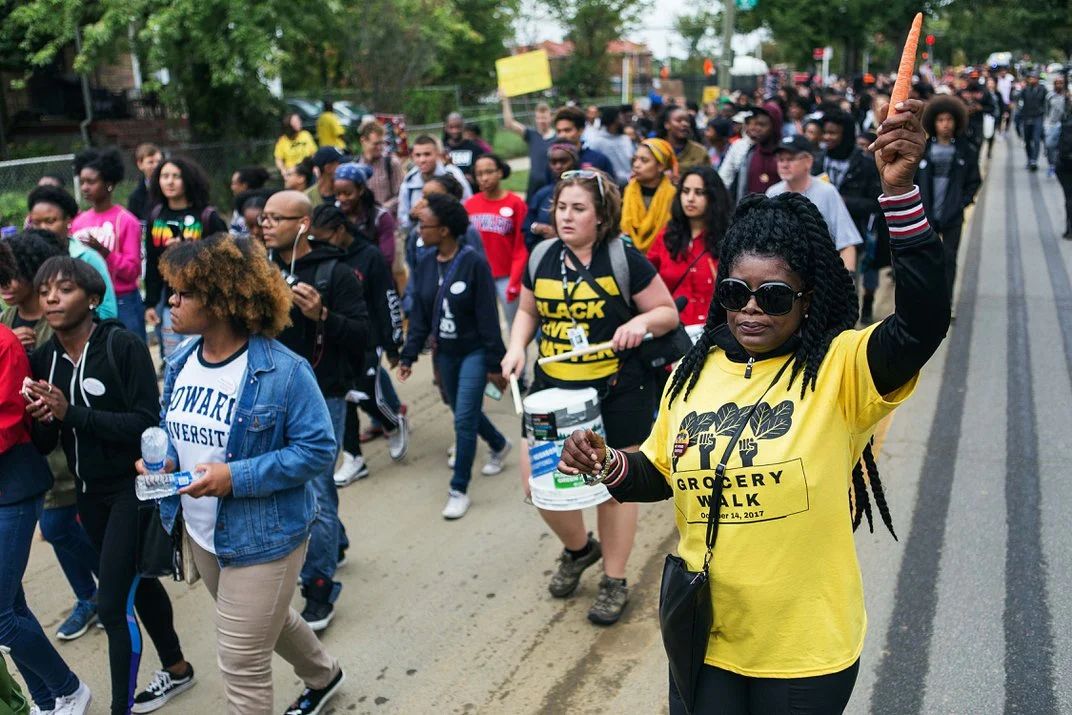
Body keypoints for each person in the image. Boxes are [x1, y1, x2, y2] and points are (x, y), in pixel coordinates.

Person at [559, 98, 949, 714]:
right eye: (737, 291)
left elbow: (924, 322)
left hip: (804, 648)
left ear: (808, 297)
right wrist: (607, 463)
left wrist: (900, 194)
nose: (750, 309)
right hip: (705, 634)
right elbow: (659, 473)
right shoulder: (695, 371)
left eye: (772, 296)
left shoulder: (839, 368)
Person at [148, 235, 345, 715]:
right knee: (267, 622)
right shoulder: (179, 363)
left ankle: (318, 679)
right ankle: (325, 676)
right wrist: (167, 461)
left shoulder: (284, 371)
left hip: (266, 535)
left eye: (183, 292)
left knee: (240, 659)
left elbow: (319, 448)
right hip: (202, 531)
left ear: (221, 299)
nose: (170, 301)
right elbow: (175, 430)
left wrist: (235, 476)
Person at [501, 169, 680, 626]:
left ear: (602, 217)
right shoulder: (541, 254)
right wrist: (516, 347)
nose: (566, 216)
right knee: (537, 485)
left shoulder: (625, 258)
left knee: (614, 491)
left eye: (578, 208)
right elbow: (527, 310)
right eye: (561, 207)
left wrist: (640, 324)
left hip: (619, 392)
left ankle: (614, 580)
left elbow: (666, 312)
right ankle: (580, 551)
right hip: (551, 392)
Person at [26, 256, 194, 715]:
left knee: (114, 603)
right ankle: (177, 668)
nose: (52, 298)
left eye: (64, 289)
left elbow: (146, 425)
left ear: (93, 298)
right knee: (137, 583)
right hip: (88, 492)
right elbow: (45, 442)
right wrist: (42, 419)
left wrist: (71, 413)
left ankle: (120, 708)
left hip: (132, 489)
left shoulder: (121, 346)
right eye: (45, 292)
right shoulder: (45, 358)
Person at [262, 190, 369, 630]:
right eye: (263, 217)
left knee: (317, 492)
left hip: (323, 394)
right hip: (270, 394)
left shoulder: (335, 272)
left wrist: (322, 313)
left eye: (275, 217)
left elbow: (364, 334)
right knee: (304, 488)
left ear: (303, 223)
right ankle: (334, 542)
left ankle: (319, 586)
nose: (265, 224)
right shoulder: (261, 271)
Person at [0, 258, 93, 714]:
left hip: (15, 488)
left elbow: (9, 420)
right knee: (10, 606)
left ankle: (70, 688)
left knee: (0, 616)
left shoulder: (6, 345)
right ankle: (47, 700)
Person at [399, 193, 511, 520]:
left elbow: (489, 318)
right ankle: (499, 443)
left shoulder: (473, 263)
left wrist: (495, 362)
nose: (419, 230)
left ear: (445, 229)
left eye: (424, 224)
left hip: (473, 351)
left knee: (463, 418)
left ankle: (458, 488)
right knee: (458, 405)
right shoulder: (423, 263)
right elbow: (420, 315)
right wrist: (408, 355)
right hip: (443, 354)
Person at [309, 204, 408, 485]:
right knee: (342, 396)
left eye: (323, 238)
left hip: (367, 337)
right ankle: (353, 456)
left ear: (340, 231)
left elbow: (386, 298)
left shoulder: (370, 256)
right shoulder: (319, 259)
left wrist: (392, 344)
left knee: (366, 393)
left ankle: (392, 422)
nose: (318, 245)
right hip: (334, 338)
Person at [143, 156, 229, 359]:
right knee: (173, 357)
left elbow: (227, 259)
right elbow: (152, 264)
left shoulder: (207, 216)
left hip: (205, 301)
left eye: (176, 176)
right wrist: (150, 303)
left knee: (202, 354)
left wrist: (190, 251)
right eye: (164, 176)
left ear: (188, 180)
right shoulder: (156, 216)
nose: (169, 181)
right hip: (169, 301)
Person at [815, 111, 887, 323]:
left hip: (854, 236)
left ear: (845, 134)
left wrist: (840, 201)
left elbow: (875, 202)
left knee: (849, 285)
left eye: (833, 133)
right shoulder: (817, 161)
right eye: (825, 132)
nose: (827, 137)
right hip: (820, 236)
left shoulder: (864, 164)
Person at [71, 147, 145, 340]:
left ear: (109, 183)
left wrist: (105, 253)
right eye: (82, 182)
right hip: (87, 302)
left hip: (123, 301)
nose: (85, 187)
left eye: (91, 182)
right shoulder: (78, 222)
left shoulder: (127, 221)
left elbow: (132, 271)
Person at [646, 166, 731, 326]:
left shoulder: (729, 238)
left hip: (716, 331)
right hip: (674, 331)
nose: (690, 198)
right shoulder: (667, 236)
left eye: (699, 193)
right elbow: (646, 278)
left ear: (713, 197)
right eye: (685, 191)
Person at [917, 96, 982, 301]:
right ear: (933, 123)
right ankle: (928, 298)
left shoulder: (965, 151)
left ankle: (947, 300)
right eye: (940, 120)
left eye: (949, 120)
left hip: (953, 215)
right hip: (927, 213)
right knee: (927, 258)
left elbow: (974, 180)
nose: (945, 124)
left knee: (950, 258)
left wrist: (962, 202)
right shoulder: (923, 151)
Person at [765, 135, 861, 271]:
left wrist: (847, 280)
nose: (784, 164)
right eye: (780, 159)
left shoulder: (827, 191)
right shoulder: (772, 192)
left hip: (821, 273)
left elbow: (847, 242)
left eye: (790, 159)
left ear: (808, 162)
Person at [26, 186, 118, 321]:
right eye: (36, 223)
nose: (43, 228)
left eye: (50, 221)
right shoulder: (27, 258)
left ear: (68, 220)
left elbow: (108, 311)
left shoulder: (87, 257)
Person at [464, 154, 528, 326]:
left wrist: (515, 281)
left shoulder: (516, 203)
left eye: (489, 172)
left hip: (506, 277)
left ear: (500, 172)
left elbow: (521, 246)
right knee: (483, 325)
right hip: (479, 277)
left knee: (515, 324)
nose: (484, 178)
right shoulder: (470, 205)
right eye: (479, 174)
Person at [398, 135, 472, 233]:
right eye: (417, 155)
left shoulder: (453, 175)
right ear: (412, 156)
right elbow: (402, 221)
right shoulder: (409, 181)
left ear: (437, 154)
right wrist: (412, 217)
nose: (422, 160)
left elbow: (468, 206)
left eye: (427, 154)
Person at [621, 138, 678, 252]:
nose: (636, 165)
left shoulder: (674, 197)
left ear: (660, 166)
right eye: (635, 159)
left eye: (644, 160)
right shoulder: (626, 191)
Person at [335, 162, 397, 266]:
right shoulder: (334, 214)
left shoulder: (381, 218)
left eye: (348, 194)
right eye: (338, 194)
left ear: (361, 190)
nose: (342, 199)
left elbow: (387, 257)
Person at [719, 102, 785, 200]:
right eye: (754, 123)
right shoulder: (750, 153)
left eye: (761, 125)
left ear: (774, 126)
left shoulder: (784, 156)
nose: (754, 128)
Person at [524, 143, 579, 250]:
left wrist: (560, 234)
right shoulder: (542, 194)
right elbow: (527, 224)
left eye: (563, 161)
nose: (558, 166)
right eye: (553, 162)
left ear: (574, 161)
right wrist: (536, 228)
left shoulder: (586, 193)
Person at [501, 96, 556, 197]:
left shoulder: (557, 138)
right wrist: (505, 101)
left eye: (544, 118)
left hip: (552, 184)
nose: (541, 121)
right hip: (534, 184)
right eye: (539, 118)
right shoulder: (531, 134)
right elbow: (509, 124)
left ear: (551, 117)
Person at [551, 106, 615, 178]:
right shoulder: (554, 161)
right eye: (559, 131)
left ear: (581, 130)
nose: (562, 135)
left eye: (567, 130)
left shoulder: (599, 159)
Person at [359, 120, 403, 215]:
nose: (380, 147)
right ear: (363, 141)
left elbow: (401, 195)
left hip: (387, 221)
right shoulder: (356, 165)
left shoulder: (391, 163)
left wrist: (382, 209)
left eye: (382, 143)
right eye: (376, 144)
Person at [588, 107, 636, 185]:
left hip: (631, 182)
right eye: (620, 117)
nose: (622, 120)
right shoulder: (597, 141)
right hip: (610, 185)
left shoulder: (625, 139)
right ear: (614, 120)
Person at [442, 112, 485, 188]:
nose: (455, 131)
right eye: (451, 127)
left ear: (463, 127)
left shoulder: (475, 148)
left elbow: (482, 171)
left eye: (458, 127)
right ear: (445, 127)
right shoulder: (441, 149)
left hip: (471, 192)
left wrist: (474, 178)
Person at [660, 105, 709, 170]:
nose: (684, 124)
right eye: (678, 121)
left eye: (687, 121)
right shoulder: (655, 149)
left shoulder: (700, 152)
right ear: (667, 124)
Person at [228, 166, 271, 237]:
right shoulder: (239, 209)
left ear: (244, 186)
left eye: (234, 183)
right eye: (250, 226)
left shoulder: (250, 210)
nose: (255, 232)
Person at [127, 143, 163, 224]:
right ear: (140, 164)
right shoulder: (135, 197)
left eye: (158, 161)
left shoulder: (172, 191)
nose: (156, 165)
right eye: (151, 162)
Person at [1018, 72, 1047, 171]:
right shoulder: (1025, 90)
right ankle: (1029, 159)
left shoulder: (1042, 90)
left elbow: (1045, 103)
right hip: (1027, 117)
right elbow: (1020, 103)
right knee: (1027, 140)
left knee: (1036, 139)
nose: (1032, 80)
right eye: (1031, 78)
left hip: (1038, 117)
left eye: (1034, 78)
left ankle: (1034, 160)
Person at [1044, 76, 1069, 174]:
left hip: (1065, 125)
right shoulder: (1050, 96)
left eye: (1061, 83)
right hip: (1052, 124)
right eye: (1057, 83)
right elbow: (1046, 110)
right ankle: (1051, 164)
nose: (1059, 85)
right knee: (1050, 145)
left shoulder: (1067, 96)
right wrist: (1046, 124)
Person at [1057, 104, 1072, 238]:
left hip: (1065, 163)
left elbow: (1051, 142)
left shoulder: (1065, 121)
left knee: (1069, 197)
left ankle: (1069, 229)